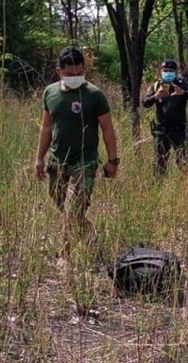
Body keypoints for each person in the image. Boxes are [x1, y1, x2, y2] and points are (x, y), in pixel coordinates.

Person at [34, 46, 119, 254]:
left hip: (84, 161)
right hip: (57, 162)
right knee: (65, 208)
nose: (75, 77)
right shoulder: (50, 92)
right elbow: (46, 127)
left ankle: (65, 256)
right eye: (70, 74)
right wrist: (39, 158)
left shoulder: (94, 95)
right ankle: (91, 237)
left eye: (79, 73)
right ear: (59, 71)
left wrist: (113, 160)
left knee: (73, 211)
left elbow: (107, 129)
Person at [142, 59, 188, 177]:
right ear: (161, 71)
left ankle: (187, 188)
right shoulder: (156, 86)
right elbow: (145, 103)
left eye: (171, 71)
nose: (168, 73)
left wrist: (183, 93)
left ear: (176, 71)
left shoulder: (183, 84)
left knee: (182, 161)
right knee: (160, 162)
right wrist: (155, 96)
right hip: (161, 130)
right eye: (165, 70)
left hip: (179, 131)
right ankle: (158, 188)